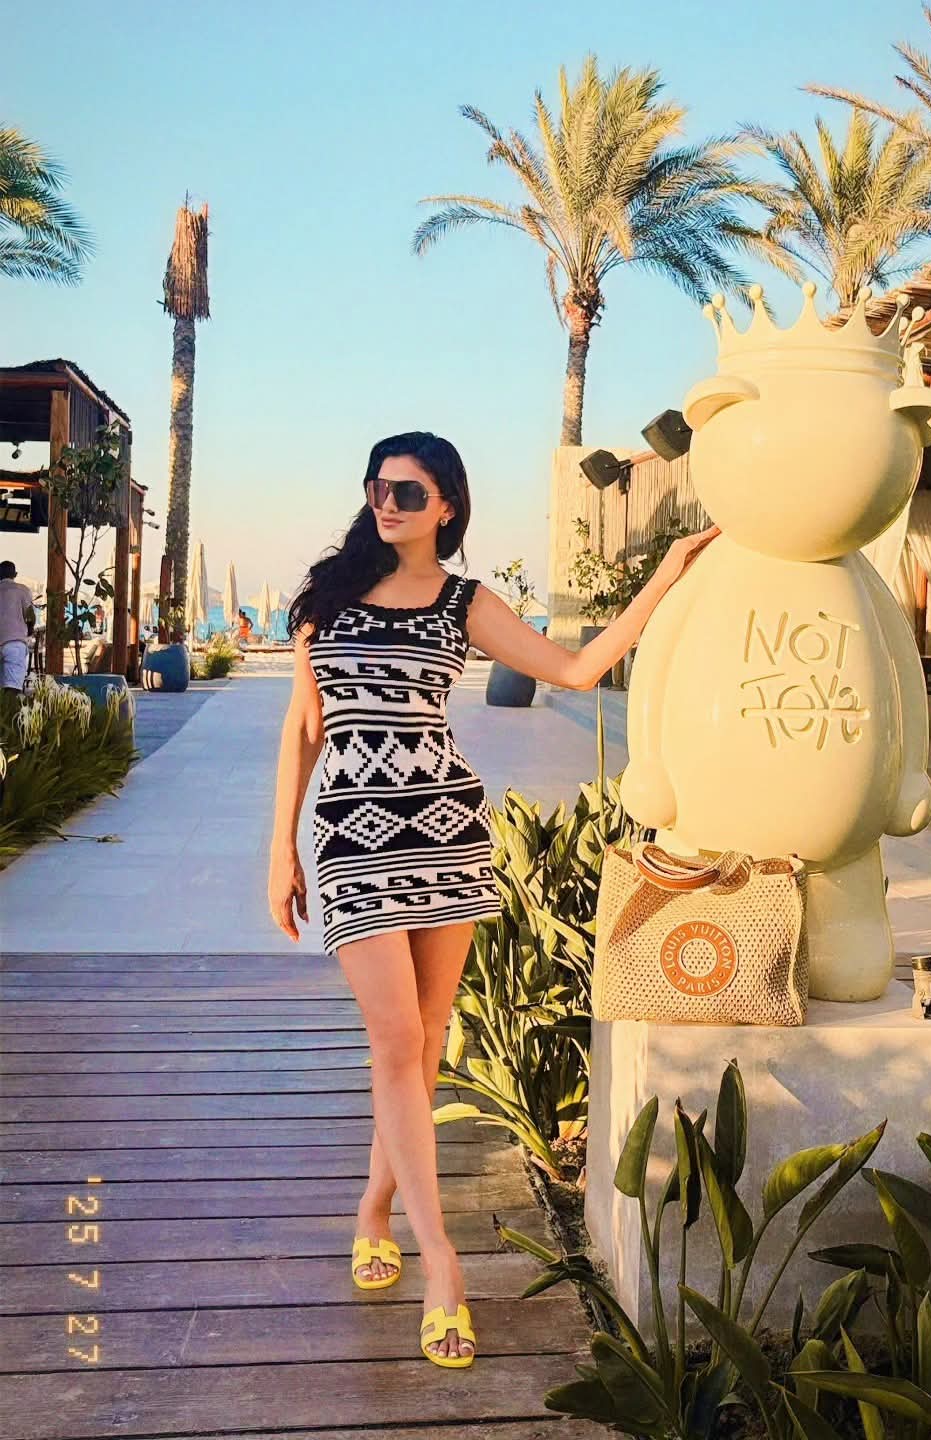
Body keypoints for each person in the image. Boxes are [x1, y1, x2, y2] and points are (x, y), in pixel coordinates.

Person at [267, 431, 718, 1371]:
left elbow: (577, 670)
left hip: (445, 833)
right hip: (351, 839)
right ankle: (443, 1262)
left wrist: (669, 570)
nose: (385, 502)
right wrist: (282, 848)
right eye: (377, 486)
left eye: (407, 491)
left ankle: (375, 1208)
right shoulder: (326, 598)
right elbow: (305, 728)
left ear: (446, 508)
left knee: (425, 1041)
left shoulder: (465, 602)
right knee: (396, 1039)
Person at [0, 560, 36, 694]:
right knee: (13, 686)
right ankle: (11, 706)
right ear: (15, 574)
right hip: (14, 643)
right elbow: (30, 617)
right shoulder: (23, 590)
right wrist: (29, 631)